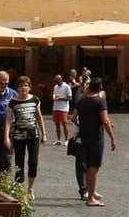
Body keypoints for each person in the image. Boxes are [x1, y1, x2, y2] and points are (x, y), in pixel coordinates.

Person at [75, 77, 117, 207]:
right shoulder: (100, 102)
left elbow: (73, 117)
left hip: (83, 137)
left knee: (87, 166)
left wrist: (82, 125)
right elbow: (105, 121)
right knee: (94, 168)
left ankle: (88, 193)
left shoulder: (81, 101)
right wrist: (113, 138)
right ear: (100, 88)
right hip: (96, 138)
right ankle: (91, 198)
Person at [7, 76, 43, 194]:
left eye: (26, 86)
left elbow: (39, 117)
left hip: (33, 135)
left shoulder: (35, 100)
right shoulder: (13, 102)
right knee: (19, 162)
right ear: (17, 88)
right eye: (21, 86)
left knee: (33, 161)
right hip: (18, 136)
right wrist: (6, 136)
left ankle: (30, 188)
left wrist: (44, 133)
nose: (23, 88)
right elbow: (9, 120)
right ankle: (19, 188)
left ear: (29, 87)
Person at [50, 74, 74, 145]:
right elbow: (54, 94)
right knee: (57, 124)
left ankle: (66, 140)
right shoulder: (56, 86)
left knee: (64, 123)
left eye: (57, 80)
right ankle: (58, 140)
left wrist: (60, 98)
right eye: (55, 80)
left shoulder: (66, 87)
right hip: (56, 107)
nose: (56, 81)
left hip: (63, 108)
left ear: (61, 79)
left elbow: (70, 98)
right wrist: (54, 97)